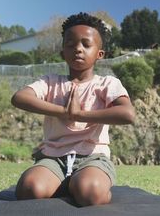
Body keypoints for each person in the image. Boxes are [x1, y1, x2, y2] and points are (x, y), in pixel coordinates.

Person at [11, 12, 135, 207]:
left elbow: (127, 114)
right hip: (54, 158)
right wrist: (63, 111)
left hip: (92, 158)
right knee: (29, 189)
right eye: (71, 44)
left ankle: (80, 185)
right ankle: (67, 184)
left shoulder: (107, 84)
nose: (78, 49)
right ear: (62, 52)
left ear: (99, 54)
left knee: (91, 193)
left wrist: (79, 114)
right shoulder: (50, 81)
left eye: (86, 44)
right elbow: (19, 98)